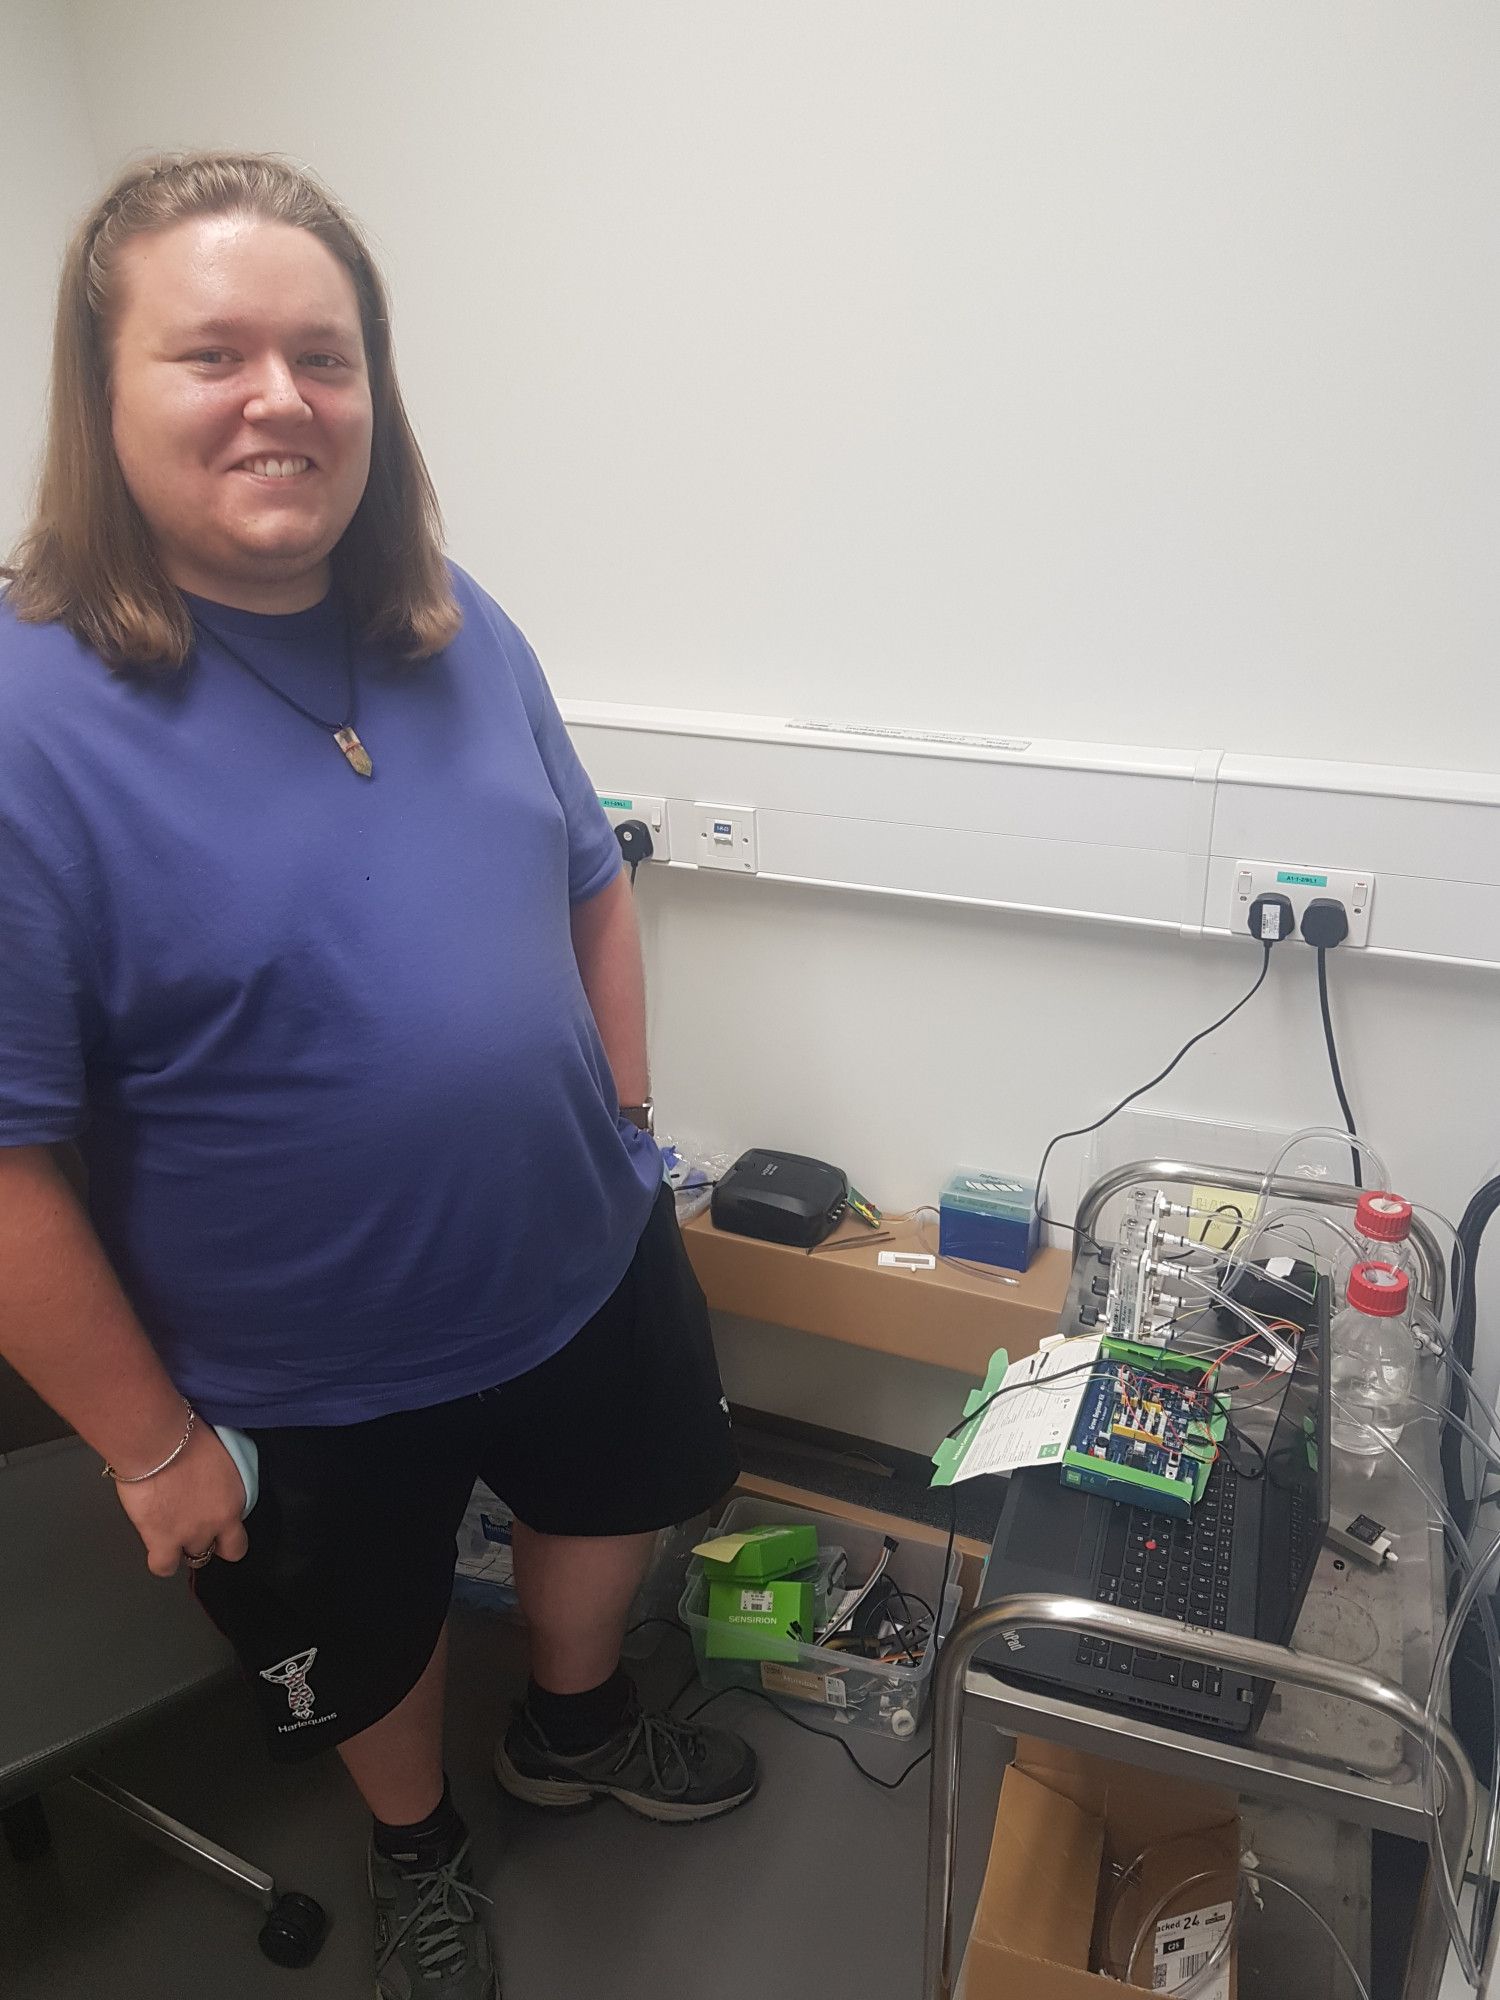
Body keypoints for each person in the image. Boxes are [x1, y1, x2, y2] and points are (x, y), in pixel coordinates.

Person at [0, 152, 754, 1999]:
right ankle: (416, 1842)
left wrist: (629, 1130)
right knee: (374, 1623)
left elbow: (591, 879)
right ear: (102, 405)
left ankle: (570, 1727)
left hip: (580, 1248)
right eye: (214, 355)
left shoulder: (446, 613)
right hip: (301, 1357)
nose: (282, 398)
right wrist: (154, 1444)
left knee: (611, 1499)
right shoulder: (29, 722)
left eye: (326, 357)